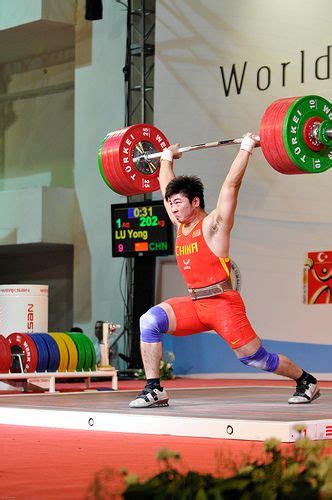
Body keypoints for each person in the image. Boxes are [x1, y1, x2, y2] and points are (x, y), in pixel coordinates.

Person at [129, 134, 320, 408]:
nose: (172, 208)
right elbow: (166, 188)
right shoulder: (181, 223)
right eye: (170, 203)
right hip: (195, 304)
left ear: (195, 202)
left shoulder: (213, 226)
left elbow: (232, 185)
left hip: (223, 304)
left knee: (255, 358)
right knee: (149, 321)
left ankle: (306, 380)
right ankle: (154, 389)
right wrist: (166, 159)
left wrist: (245, 149)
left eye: (178, 203)